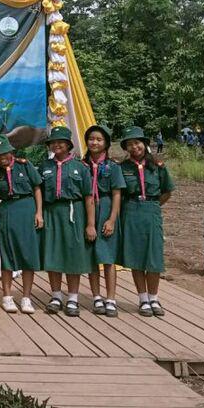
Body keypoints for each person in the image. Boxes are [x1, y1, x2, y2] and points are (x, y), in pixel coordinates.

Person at [118, 126, 175, 317]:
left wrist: (153, 205)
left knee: (154, 257)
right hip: (131, 211)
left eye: (137, 143)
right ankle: (143, 299)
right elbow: (119, 192)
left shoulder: (158, 166)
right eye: (129, 144)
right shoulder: (123, 168)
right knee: (136, 257)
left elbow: (167, 191)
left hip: (151, 211)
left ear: (144, 143)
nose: (134, 147)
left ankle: (154, 298)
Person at [40, 126, 95, 317]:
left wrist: (90, 224)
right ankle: (56, 296)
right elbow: (38, 192)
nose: (56, 145)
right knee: (52, 253)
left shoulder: (80, 167)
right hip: (51, 212)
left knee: (73, 255)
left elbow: (89, 197)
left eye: (60, 142)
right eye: (53, 142)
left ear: (69, 145)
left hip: (74, 212)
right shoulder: (44, 166)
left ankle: (72, 298)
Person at [0, 134, 43, 314]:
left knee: (28, 254)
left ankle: (26, 297)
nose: (2, 157)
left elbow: (37, 188)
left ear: (11, 151)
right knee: (7, 252)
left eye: (4, 153)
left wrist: (39, 213)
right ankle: (7, 296)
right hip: (7, 209)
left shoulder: (25, 165)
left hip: (27, 207)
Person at [83, 125, 126, 317]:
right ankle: (96, 297)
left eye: (99, 139)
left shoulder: (113, 167)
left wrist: (112, 220)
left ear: (106, 143)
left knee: (108, 258)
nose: (94, 142)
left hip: (106, 207)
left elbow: (117, 194)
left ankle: (111, 299)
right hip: (87, 211)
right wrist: (89, 223)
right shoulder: (81, 166)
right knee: (91, 256)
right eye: (91, 138)